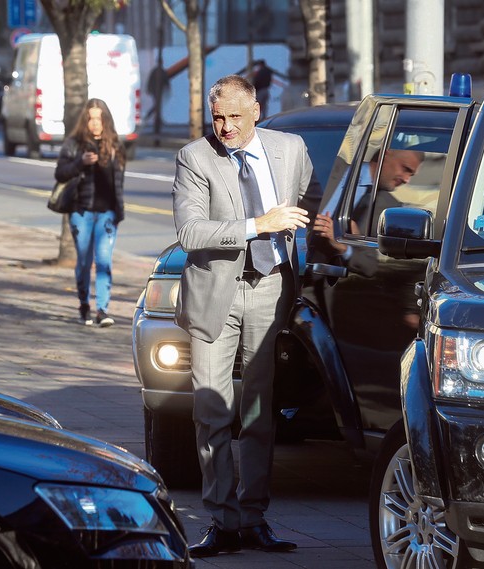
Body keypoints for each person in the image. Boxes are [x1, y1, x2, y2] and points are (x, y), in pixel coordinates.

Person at [172, 74, 317, 558]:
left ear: (257, 110)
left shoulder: (290, 149)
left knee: (259, 410)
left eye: (235, 116)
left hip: (269, 290)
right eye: (217, 117)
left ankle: (254, 518)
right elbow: (191, 231)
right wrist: (260, 225)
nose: (225, 127)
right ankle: (222, 519)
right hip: (217, 293)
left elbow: (305, 201)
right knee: (212, 410)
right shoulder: (195, 157)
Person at [54, 98, 126, 327]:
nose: (95, 123)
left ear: (106, 120)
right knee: (84, 262)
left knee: (104, 261)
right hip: (81, 212)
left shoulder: (115, 146)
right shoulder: (74, 144)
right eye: (91, 118)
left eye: (99, 118)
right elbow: (60, 174)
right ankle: (84, 305)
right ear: (85, 121)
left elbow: (119, 184)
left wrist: (118, 211)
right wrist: (80, 162)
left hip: (106, 214)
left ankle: (102, 310)